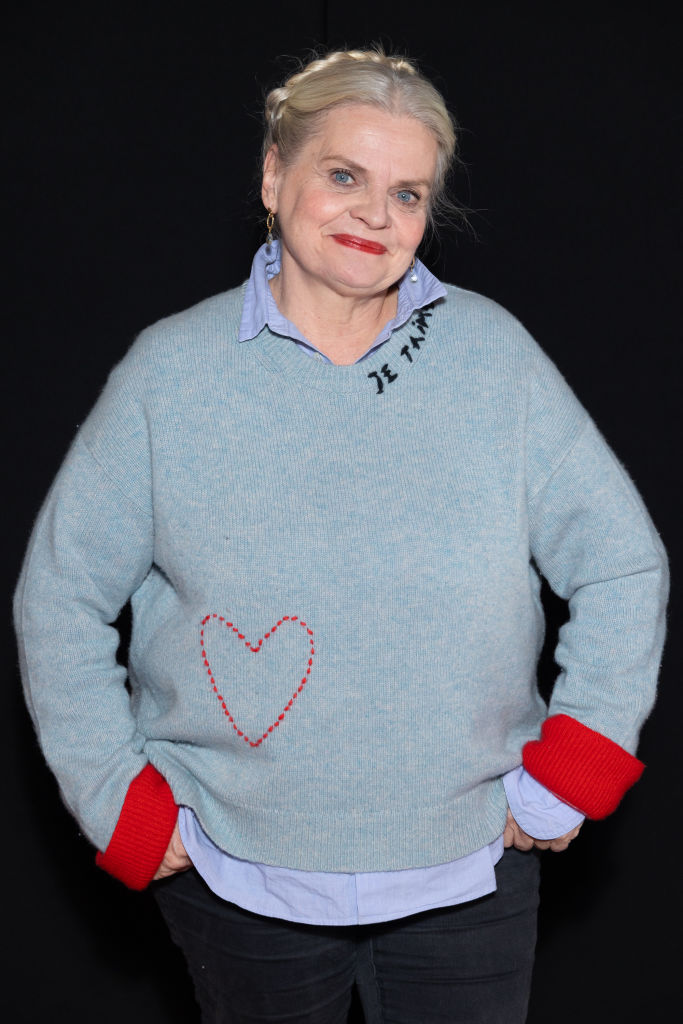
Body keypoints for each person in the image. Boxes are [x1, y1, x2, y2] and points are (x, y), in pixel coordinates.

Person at [14, 47, 668, 1024]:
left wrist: (568, 773)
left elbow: (621, 563)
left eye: (407, 192)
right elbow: (59, 596)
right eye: (343, 175)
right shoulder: (171, 373)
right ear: (274, 177)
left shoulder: (491, 357)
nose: (375, 213)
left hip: (468, 882)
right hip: (238, 885)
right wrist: (118, 804)